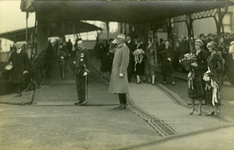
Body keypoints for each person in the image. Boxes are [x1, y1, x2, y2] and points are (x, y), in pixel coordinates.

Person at [109, 34, 130, 109]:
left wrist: (122, 72)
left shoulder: (124, 48)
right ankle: (122, 104)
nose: (117, 40)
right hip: (116, 71)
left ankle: (123, 104)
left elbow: (125, 61)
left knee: (121, 88)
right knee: (118, 88)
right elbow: (110, 50)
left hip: (120, 71)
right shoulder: (118, 48)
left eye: (118, 39)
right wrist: (112, 43)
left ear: (122, 40)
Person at [188, 39, 208, 115]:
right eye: (195, 44)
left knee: (200, 92)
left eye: (197, 45)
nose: (196, 46)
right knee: (192, 91)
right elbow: (189, 62)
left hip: (199, 74)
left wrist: (198, 66)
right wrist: (190, 66)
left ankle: (199, 109)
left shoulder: (204, 53)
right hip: (193, 74)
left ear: (200, 45)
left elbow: (205, 65)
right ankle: (192, 108)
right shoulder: (193, 53)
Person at [204, 41, 224, 116]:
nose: (208, 48)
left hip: (216, 77)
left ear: (213, 47)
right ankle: (212, 110)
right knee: (209, 92)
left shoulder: (217, 56)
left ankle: (217, 110)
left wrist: (213, 73)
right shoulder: (210, 56)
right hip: (210, 76)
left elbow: (220, 68)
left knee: (216, 92)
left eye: (209, 47)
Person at [74, 40, 91, 106]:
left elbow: (89, 63)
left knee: (84, 86)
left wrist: (87, 71)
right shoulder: (77, 52)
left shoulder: (86, 52)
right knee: (79, 86)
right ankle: (80, 99)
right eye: (78, 44)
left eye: (80, 44)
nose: (78, 46)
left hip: (83, 71)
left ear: (83, 44)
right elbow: (76, 59)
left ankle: (84, 100)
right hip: (78, 72)